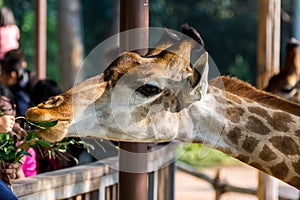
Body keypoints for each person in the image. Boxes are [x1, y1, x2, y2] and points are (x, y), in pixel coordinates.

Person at [0, 84, 36, 186]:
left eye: (3, 110)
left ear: (14, 110)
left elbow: (32, 186)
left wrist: (18, 171)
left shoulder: (25, 148)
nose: (2, 117)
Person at [0, 48, 32, 117]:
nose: (0, 78)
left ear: (12, 75)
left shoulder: (20, 96)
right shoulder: (27, 79)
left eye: (2, 75)